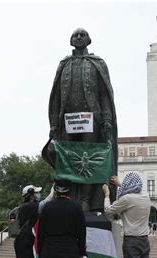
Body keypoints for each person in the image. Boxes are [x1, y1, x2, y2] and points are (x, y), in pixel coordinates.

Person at [46, 28, 118, 211]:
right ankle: (65, 196)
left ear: (89, 40)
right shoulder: (64, 64)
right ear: (70, 41)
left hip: (91, 119)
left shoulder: (97, 63)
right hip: (67, 121)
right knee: (66, 160)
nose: (78, 37)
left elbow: (104, 95)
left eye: (82, 35)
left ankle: (87, 200)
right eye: (75, 35)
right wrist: (54, 125)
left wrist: (107, 118)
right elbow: (55, 97)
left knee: (89, 160)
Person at [14, 185, 53, 258]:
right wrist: (52, 192)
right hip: (24, 240)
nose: (39, 194)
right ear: (31, 196)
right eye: (36, 193)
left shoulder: (28, 206)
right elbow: (44, 204)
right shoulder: (28, 206)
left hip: (27, 239)